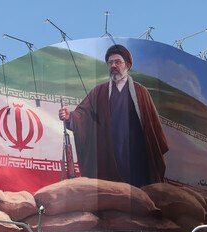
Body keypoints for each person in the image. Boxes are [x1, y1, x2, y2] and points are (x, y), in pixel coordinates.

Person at [58, 44, 169, 188]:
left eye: (117, 62)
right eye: (110, 63)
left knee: (139, 192)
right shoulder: (99, 92)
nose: (113, 66)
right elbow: (83, 114)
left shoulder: (141, 92)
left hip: (136, 154)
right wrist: (70, 117)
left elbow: (153, 127)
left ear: (127, 65)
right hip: (108, 153)